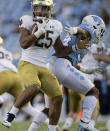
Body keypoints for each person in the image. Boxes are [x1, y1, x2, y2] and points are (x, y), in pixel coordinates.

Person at [2, 0, 89, 131]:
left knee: (58, 98)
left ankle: (52, 129)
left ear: (50, 10)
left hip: (43, 66)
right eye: (38, 8)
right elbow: (23, 44)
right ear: (33, 9)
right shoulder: (27, 20)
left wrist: (76, 47)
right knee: (35, 86)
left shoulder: (56, 25)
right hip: (27, 63)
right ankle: (10, 114)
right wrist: (37, 32)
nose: (40, 11)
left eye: (44, 8)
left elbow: (60, 51)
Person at [28, 15, 106, 131]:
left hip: (52, 65)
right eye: (100, 30)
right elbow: (83, 32)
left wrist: (87, 70)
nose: (100, 33)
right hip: (61, 65)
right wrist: (76, 30)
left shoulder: (81, 36)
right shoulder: (86, 31)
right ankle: (84, 125)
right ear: (94, 26)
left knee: (48, 107)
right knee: (93, 92)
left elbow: (72, 60)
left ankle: (32, 129)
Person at [0, 37, 40, 125]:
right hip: (16, 77)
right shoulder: (7, 53)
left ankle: (1, 101)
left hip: (3, 76)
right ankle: (50, 122)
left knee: (4, 101)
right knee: (27, 107)